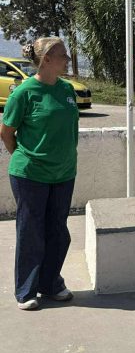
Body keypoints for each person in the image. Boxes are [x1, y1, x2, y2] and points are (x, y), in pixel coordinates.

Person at [0, 38, 78, 311]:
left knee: (58, 233)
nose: (67, 59)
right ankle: (26, 290)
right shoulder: (24, 93)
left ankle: (50, 283)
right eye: (62, 55)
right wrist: (28, 157)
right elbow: (6, 133)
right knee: (31, 232)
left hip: (64, 173)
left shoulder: (67, 89)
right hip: (30, 174)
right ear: (46, 59)